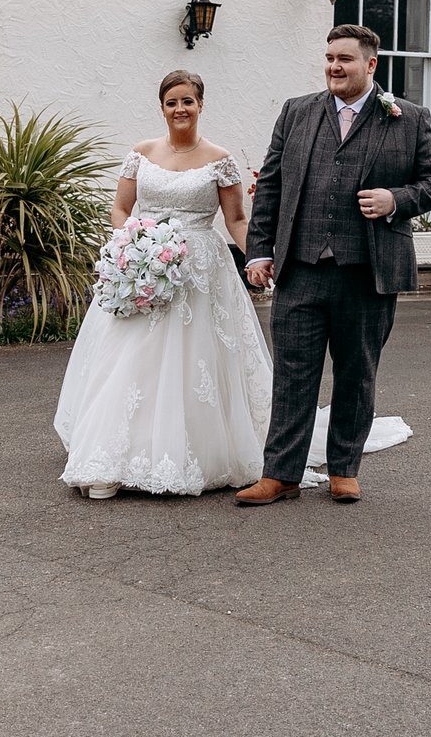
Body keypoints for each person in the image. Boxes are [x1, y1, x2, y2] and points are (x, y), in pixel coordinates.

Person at [236, 24, 431, 506]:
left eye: (345, 59)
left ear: (370, 65)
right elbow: (270, 185)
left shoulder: (407, 118)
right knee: (292, 374)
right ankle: (281, 473)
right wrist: (261, 251)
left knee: (357, 372)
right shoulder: (297, 112)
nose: (334, 66)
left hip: (366, 271)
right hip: (302, 267)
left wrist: (396, 198)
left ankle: (344, 469)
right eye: (330, 57)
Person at [53, 70, 272, 498]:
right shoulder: (141, 152)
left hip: (201, 271)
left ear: (201, 105)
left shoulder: (220, 159)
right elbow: (120, 208)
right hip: (144, 264)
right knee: (132, 358)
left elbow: (236, 220)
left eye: (188, 101)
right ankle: (109, 456)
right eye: (172, 102)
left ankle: (193, 451)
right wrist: (137, 243)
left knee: (194, 360)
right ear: (162, 107)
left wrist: (257, 260)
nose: (180, 109)